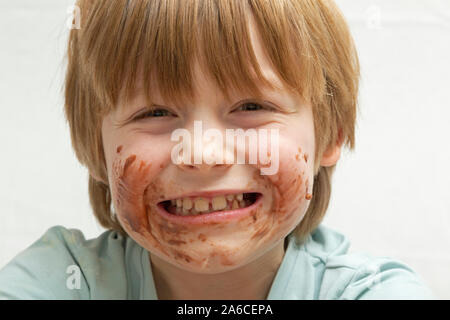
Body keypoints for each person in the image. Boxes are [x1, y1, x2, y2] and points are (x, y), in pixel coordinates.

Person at [0, 0, 435, 299]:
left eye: (252, 107)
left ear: (333, 133)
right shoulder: (61, 280)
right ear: (93, 146)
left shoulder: (373, 292)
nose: (204, 153)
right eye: (154, 112)